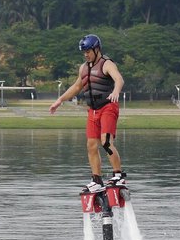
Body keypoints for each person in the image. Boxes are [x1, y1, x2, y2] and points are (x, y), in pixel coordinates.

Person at [49, 33, 127, 192]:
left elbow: (119, 79)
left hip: (108, 107)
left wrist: (116, 91)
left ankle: (118, 176)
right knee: (91, 145)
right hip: (93, 110)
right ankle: (97, 180)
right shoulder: (83, 68)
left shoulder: (107, 64)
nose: (86, 55)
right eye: (84, 52)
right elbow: (77, 87)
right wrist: (60, 100)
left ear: (97, 49)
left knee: (105, 142)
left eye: (88, 51)